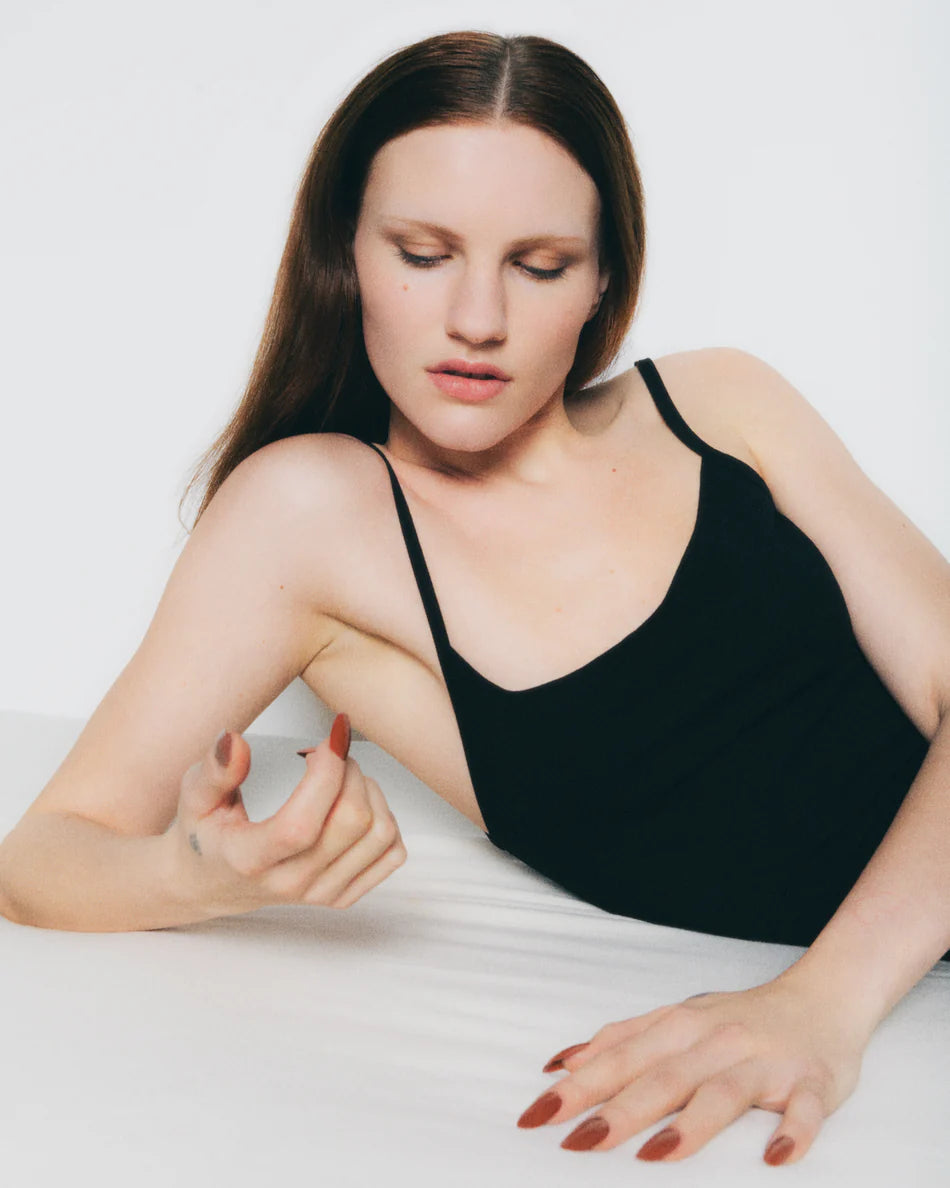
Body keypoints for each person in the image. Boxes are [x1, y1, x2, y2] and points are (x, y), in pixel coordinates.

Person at [0, 28, 947, 1171]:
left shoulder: (719, 406)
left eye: (539, 264)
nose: (478, 319)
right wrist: (190, 879)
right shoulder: (311, 516)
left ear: (603, 278)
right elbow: (44, 854)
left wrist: (817, 1005)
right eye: (422, 252)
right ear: (344, 253)